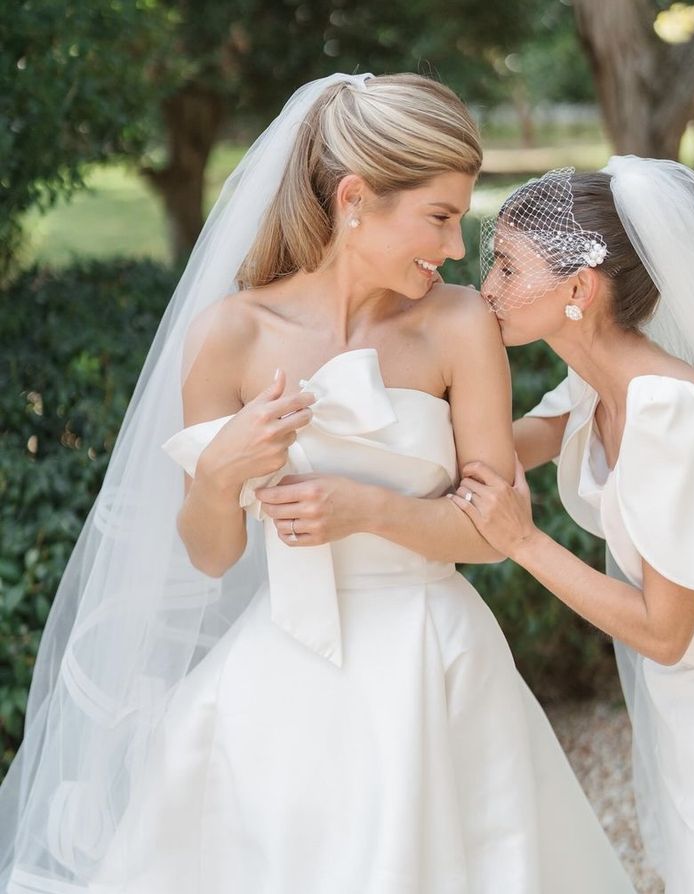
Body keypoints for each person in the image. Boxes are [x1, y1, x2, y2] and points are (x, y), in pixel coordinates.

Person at [0, 75, 633, 894]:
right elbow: (210, 555)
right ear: (355, 198)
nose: (452, 250)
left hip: (431, 661)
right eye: (439, 218)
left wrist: (367, 509)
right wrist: (222, 470)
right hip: (283, 663)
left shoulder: (458, 325)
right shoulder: (229, 335)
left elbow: (490, 532)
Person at [448, 158, 694, 894]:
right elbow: (513, 440)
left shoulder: (667, 414)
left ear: (579, 289)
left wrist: (523, 542)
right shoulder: (596, 381)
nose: (487, 291)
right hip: (689, 699)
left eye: (508, 268)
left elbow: (665, 631)